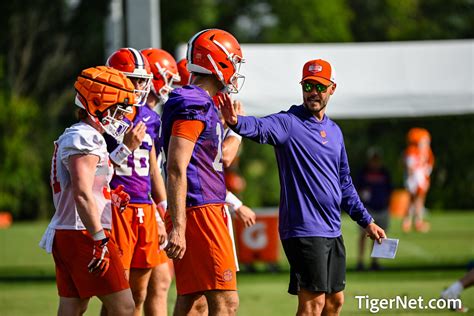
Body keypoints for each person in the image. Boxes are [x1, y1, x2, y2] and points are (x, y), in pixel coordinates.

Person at [220, 59, 386, 316]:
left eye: (319, 86)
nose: (313, 92)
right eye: (308, 85)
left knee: (335, 302)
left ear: (332, 88)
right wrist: (236, 122)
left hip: (332, 228)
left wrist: (367, 221)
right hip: (303, 229)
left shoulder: (334, 131)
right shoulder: (289, 123)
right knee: (313, 304)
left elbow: (345, 184)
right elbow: (260, 127)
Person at [39, 66, 141, 316]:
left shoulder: (84, 135)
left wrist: (109, 194)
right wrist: (99, 238)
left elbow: (84, 187)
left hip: (72, 231)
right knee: (126, 307)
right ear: (97, 104)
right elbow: (82, 193)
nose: (122, 117)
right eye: (118, 109)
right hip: (82, 232)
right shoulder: (84, 137)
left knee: (73, 307)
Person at [161, 28, 245, 316]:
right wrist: (180, 229)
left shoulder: (202, 102)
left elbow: (215, 159)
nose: (235, 70)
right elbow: (176, 166)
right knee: (226, 303)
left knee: (191, 301)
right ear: (217, 61)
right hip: (200, 211)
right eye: (232, 61)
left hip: (202, 207)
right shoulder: (193, 102)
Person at [104, 47, 165, 316]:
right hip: (118, 207)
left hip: (145, 208)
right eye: (133, 79)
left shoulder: (151, 118)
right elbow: (97, 169)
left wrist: (162, 211)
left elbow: (153, 167)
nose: (139, 86)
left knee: (139, 293)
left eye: (142, 80)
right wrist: (125, 147)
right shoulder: (104, 118)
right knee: (118, 296)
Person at [141, 47, 182, 316]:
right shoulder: (143, 117)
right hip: (136, 206)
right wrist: (158, 210)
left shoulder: (152, 117)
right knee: (133, 291)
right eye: (168, 78)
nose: (171, 85)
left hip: (149, 203)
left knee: (159, 281)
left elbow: (154, 168)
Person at [355, 148, 393, 271]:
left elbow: (389, 189)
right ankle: (360, 262)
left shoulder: (384, 172)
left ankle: (374, 262)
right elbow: (356, 189)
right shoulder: (363, 172)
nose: (375, 162)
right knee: (363, 235)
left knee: (379, 237)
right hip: (367, 209)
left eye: (377, 159)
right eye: (373, 159)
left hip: (382, 208)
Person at [402, 127, 434, 233]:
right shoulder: (412, 150)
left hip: (421, 178)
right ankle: (413, 222)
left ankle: (413, 221)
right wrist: (411, 179)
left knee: (418, 200)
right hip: (415, 179)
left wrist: (425, 177)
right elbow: (409, 165)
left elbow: (429, 164)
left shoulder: (426, 151)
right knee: (415, 200)